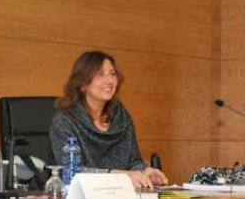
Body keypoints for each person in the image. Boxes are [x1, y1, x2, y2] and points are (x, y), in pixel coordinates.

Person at [49, 50, 167, 188]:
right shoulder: (65, 120)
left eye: (112, 74)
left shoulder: (121, 116)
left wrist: (145, 171)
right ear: (82, 84)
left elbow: (133, 160)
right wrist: (118, 175)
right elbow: (70, 172)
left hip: (120, 196)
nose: (110, 80)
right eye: (100, 74)